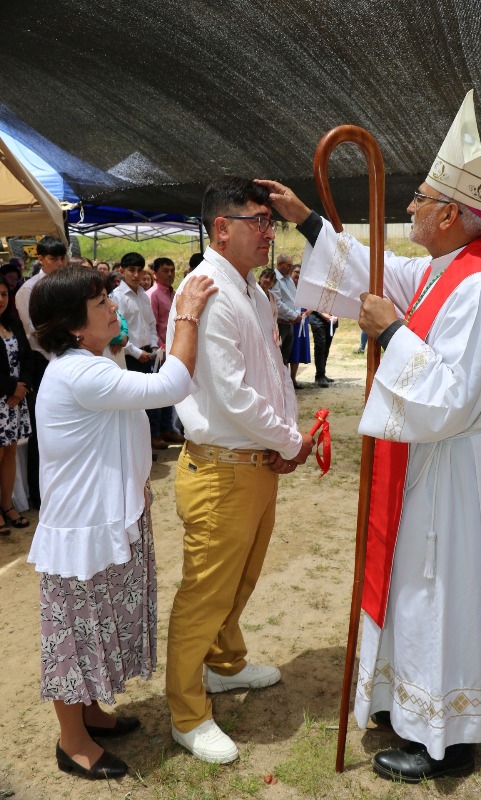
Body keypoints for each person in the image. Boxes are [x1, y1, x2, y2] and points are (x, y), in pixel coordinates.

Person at [257, 90, 481, 782]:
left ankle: (445, 741)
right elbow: (378, 270)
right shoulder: (446, 272)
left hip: (453, 467)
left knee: (442, 595)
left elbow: (453, 395)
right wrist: (309, 221)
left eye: (420, 200)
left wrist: (391, 333)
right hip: (431, 463)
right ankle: (410, 707)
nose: (408, 208)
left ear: (450, 214)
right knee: (418, 591)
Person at [27, 265, 216, 780]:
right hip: (84, 531)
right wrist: (187, 315)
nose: (113, 307)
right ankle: (72, 742)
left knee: (96, 625)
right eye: (100, 304)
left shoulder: (88, 362)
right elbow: (172, 384)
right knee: (75, 636)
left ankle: (90, 715)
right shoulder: (81, 373)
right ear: (73, 327)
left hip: (103, 521)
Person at [165, 176, 315, 765]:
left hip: (253, 462)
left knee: (241, 578)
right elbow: (230, 395)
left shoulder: (250, 288)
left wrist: (285, 437)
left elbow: (272, 375)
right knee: (205, 593)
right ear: (222, 228)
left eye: (270, 222)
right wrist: (291, 440)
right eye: (259, 221)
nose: (269, 232)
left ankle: (223, 664)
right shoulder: (204, 290)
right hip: (223, 466)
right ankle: (187, 712)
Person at [15, 235, 68, 508]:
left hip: (66, 358)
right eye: (53, 258)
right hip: (42, 362)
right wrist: (58, 356)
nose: (59, 263)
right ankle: (39, 495)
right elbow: (33, 333)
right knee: (43, 430)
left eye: (62, 258)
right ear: (41, 259)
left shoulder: (67, 284)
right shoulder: (29, 290)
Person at [110, 253, 164, 449]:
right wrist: (136, 352)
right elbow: (117, 330)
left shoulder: (143, 294)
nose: (135, 275)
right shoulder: (117, 296)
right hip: (129, 356)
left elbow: (151, 324)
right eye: (131, 270)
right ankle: (136, 446)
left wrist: (154, 345)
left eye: (139, 271)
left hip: (147, 353)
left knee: (148, 400)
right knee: (134, 403)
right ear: (122, 271)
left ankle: (148, 440)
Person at [0, 275, 32, 534]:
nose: (0, 299)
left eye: (3, 294)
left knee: (10, 454)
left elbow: (27, 358)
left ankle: (7, 505)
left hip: (15, 401)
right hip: (3, 396)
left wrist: (23, 386)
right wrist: (12, 387)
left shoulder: (13, 322)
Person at [146, 257, 184, 445]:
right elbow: (151, 324)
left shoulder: (174, 294)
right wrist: (158, 348)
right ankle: (155, 433)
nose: (170, 274)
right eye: (165, 271)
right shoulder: (152, 295)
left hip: (173, 349)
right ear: (155, 273)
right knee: (157, 393)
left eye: (172, 270)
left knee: (170, 390)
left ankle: (167, 428)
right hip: (159, 351)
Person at [270, 253, 301, 366]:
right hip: (280, 324)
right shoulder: (274, 278)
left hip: (289, 324)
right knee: (277, 358)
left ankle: (285, 378)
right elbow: (277, 303)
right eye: (288, 265)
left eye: (291, 265)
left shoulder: (288, 279)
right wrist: (294, 315)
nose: (291, 268)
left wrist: (297, 313)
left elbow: (295, 298)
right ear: (279, 264)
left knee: (285, 358)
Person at [288, 264, 311, 389]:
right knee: (287, 350)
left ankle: (293, 378)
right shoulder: (286, 286)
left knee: (297, 350)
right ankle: (285, 379)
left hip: (301, 321)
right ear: (291, 272)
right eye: (296, 272)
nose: (298, 275)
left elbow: (312, 303)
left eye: (300, 273)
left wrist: (305, 314)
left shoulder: (304, 288)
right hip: (289, 320)